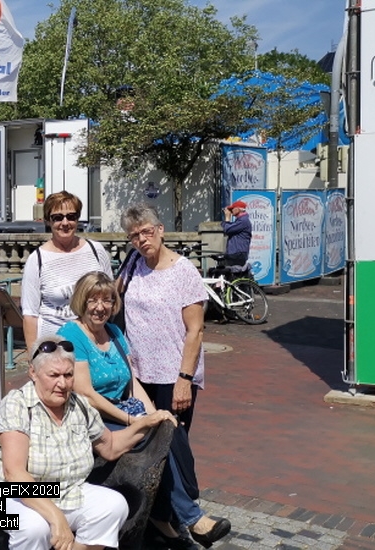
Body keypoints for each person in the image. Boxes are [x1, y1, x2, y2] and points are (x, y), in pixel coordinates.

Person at [59, 272, 229, 548]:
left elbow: (131, 381)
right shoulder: (71, 335)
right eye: (93, 300)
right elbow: (86, 394)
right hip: (91, 417)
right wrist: (133, 420)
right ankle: (190, 518)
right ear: (81, 301)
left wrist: (154, 415)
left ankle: (165, 519)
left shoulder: (114, 332)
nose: (100, 307)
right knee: (150, 440)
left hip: (124, 408)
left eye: (107, 300)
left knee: (169, 430)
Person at [0, 335, 176, 550]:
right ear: (33, 373)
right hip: (10, 494)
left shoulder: (79, 406)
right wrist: (56, 517)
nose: (62, 383)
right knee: (36, 527)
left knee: (113, 506)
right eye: (53, 375)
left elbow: (110, 447)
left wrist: (146, 423)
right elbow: (14, 473)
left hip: (65, 490)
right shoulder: (17, 403)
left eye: (68, 374)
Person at [119, 204, 230, 547]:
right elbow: (111, 299)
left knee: (172, 446)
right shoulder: (133, 265)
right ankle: (166, 521)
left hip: (173, 375)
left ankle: (172, 517)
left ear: (160, 230)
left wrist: (184, 379)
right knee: (150, 448)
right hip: (139, 374)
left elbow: (195, 331)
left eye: (146, 232)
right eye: (134, 235)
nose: (141, 239)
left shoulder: (184, 271)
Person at [21, 191, 113, 353]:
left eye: (71, 216)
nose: (65, 223)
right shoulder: (37, 260)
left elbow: (110, 295)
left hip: (93, 344)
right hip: (55, 348)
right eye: (57, 217)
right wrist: (33, 357)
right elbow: (30, 315)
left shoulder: (96, 250)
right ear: (48, 220)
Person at [221, 200, 252, 270]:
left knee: (234, 273)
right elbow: (226, 227)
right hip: (236, 253)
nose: (231, 211)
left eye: (232, 209)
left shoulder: (243, 221)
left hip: (238, 253)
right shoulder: (240, 221)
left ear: (237, 209)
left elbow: (227, 230)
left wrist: (227, 217)